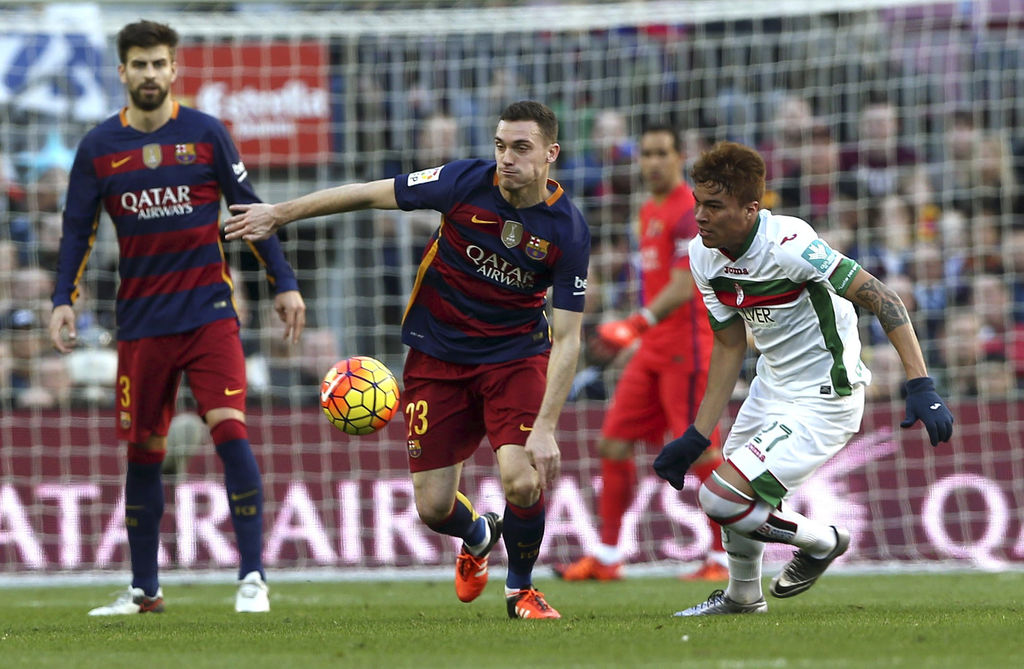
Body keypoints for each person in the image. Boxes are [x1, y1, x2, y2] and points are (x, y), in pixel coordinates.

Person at [224, 100, 590, 620]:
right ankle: (478, 534)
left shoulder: (567, 229)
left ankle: (522, 590)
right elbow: (367, 193)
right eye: (500, 145)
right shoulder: (463, 182)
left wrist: (547, 427)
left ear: (551, 153)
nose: (506, 158)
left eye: (521, 148)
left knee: (523, 479)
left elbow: (570, 337)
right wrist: (278, 214)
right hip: (437, 356)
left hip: (515, 357)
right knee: (434, 508)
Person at [48, 20, 306, 616]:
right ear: (122, 72)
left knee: (230, 430)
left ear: (173, 68)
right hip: (141, 323)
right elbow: (76, 230)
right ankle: (144, 590)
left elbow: (248, 210)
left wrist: (284, 283)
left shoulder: (206, 133)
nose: (149, 74)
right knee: (143, 451)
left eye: (158, 63)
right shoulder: (98, 147)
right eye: (139, 64)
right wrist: (64, 297)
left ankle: (252, 578)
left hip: (209, 313)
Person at [651, 141, 953, 616]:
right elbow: (729, 346)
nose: (701, 216)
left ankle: (822, 542)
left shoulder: (790, 244)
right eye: (698, 203)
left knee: (720, 498)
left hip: (826, 395)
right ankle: (742, 597)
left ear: (750, 209)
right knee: (734, 492)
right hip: (770, 387)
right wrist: (697, 434)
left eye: (715, 206)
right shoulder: (703, 256)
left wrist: (921, 384)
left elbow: (883, 297)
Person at [553, 123, 727, 582]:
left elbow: (684, 285)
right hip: (652, 349)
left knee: (702, 451)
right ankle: (608, 556)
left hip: (688, 349)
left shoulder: (690, 212)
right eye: (646, 153)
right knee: (612, 442)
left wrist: (633, 324)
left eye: (661, 153)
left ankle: (724, 559)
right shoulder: (648, 208)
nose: (652, 162)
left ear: (679, 157)